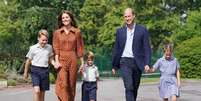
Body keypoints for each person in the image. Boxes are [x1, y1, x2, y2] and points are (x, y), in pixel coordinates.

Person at [112, 8, 151, 101]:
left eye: (129, 16)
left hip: (137, 62)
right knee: (129, 87)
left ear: (133, 16)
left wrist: (147, 63)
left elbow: (147, 48)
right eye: (125, 16)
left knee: (134, 88)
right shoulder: (120, 31)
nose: (127, 18)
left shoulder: (142, 30)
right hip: (124, 61)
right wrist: (114, 65)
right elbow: (116, 49)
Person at [52, 10, 84, 101]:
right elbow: (56, 48)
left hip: (73, 59)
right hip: (61, 59)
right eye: (63, 18)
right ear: (61, 20)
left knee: (71, 84)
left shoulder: (77, 32)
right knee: (64, 84)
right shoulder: (57, 33)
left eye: (67, 17)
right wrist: (57, 61)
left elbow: (80, 48)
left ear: (70, 18)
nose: (65, 19)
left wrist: (82, 63)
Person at [23, 29, 56, 101]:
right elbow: (28, 61)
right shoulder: (33, 48)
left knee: (42, 93)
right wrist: (25, 73)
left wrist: (54, 64)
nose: (44, 42)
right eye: (43, 40)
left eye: (46, 40)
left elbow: (51, 59)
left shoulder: (49, 47)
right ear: (38, 38)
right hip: (35, 71)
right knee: (37, 91)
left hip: (45, 71)